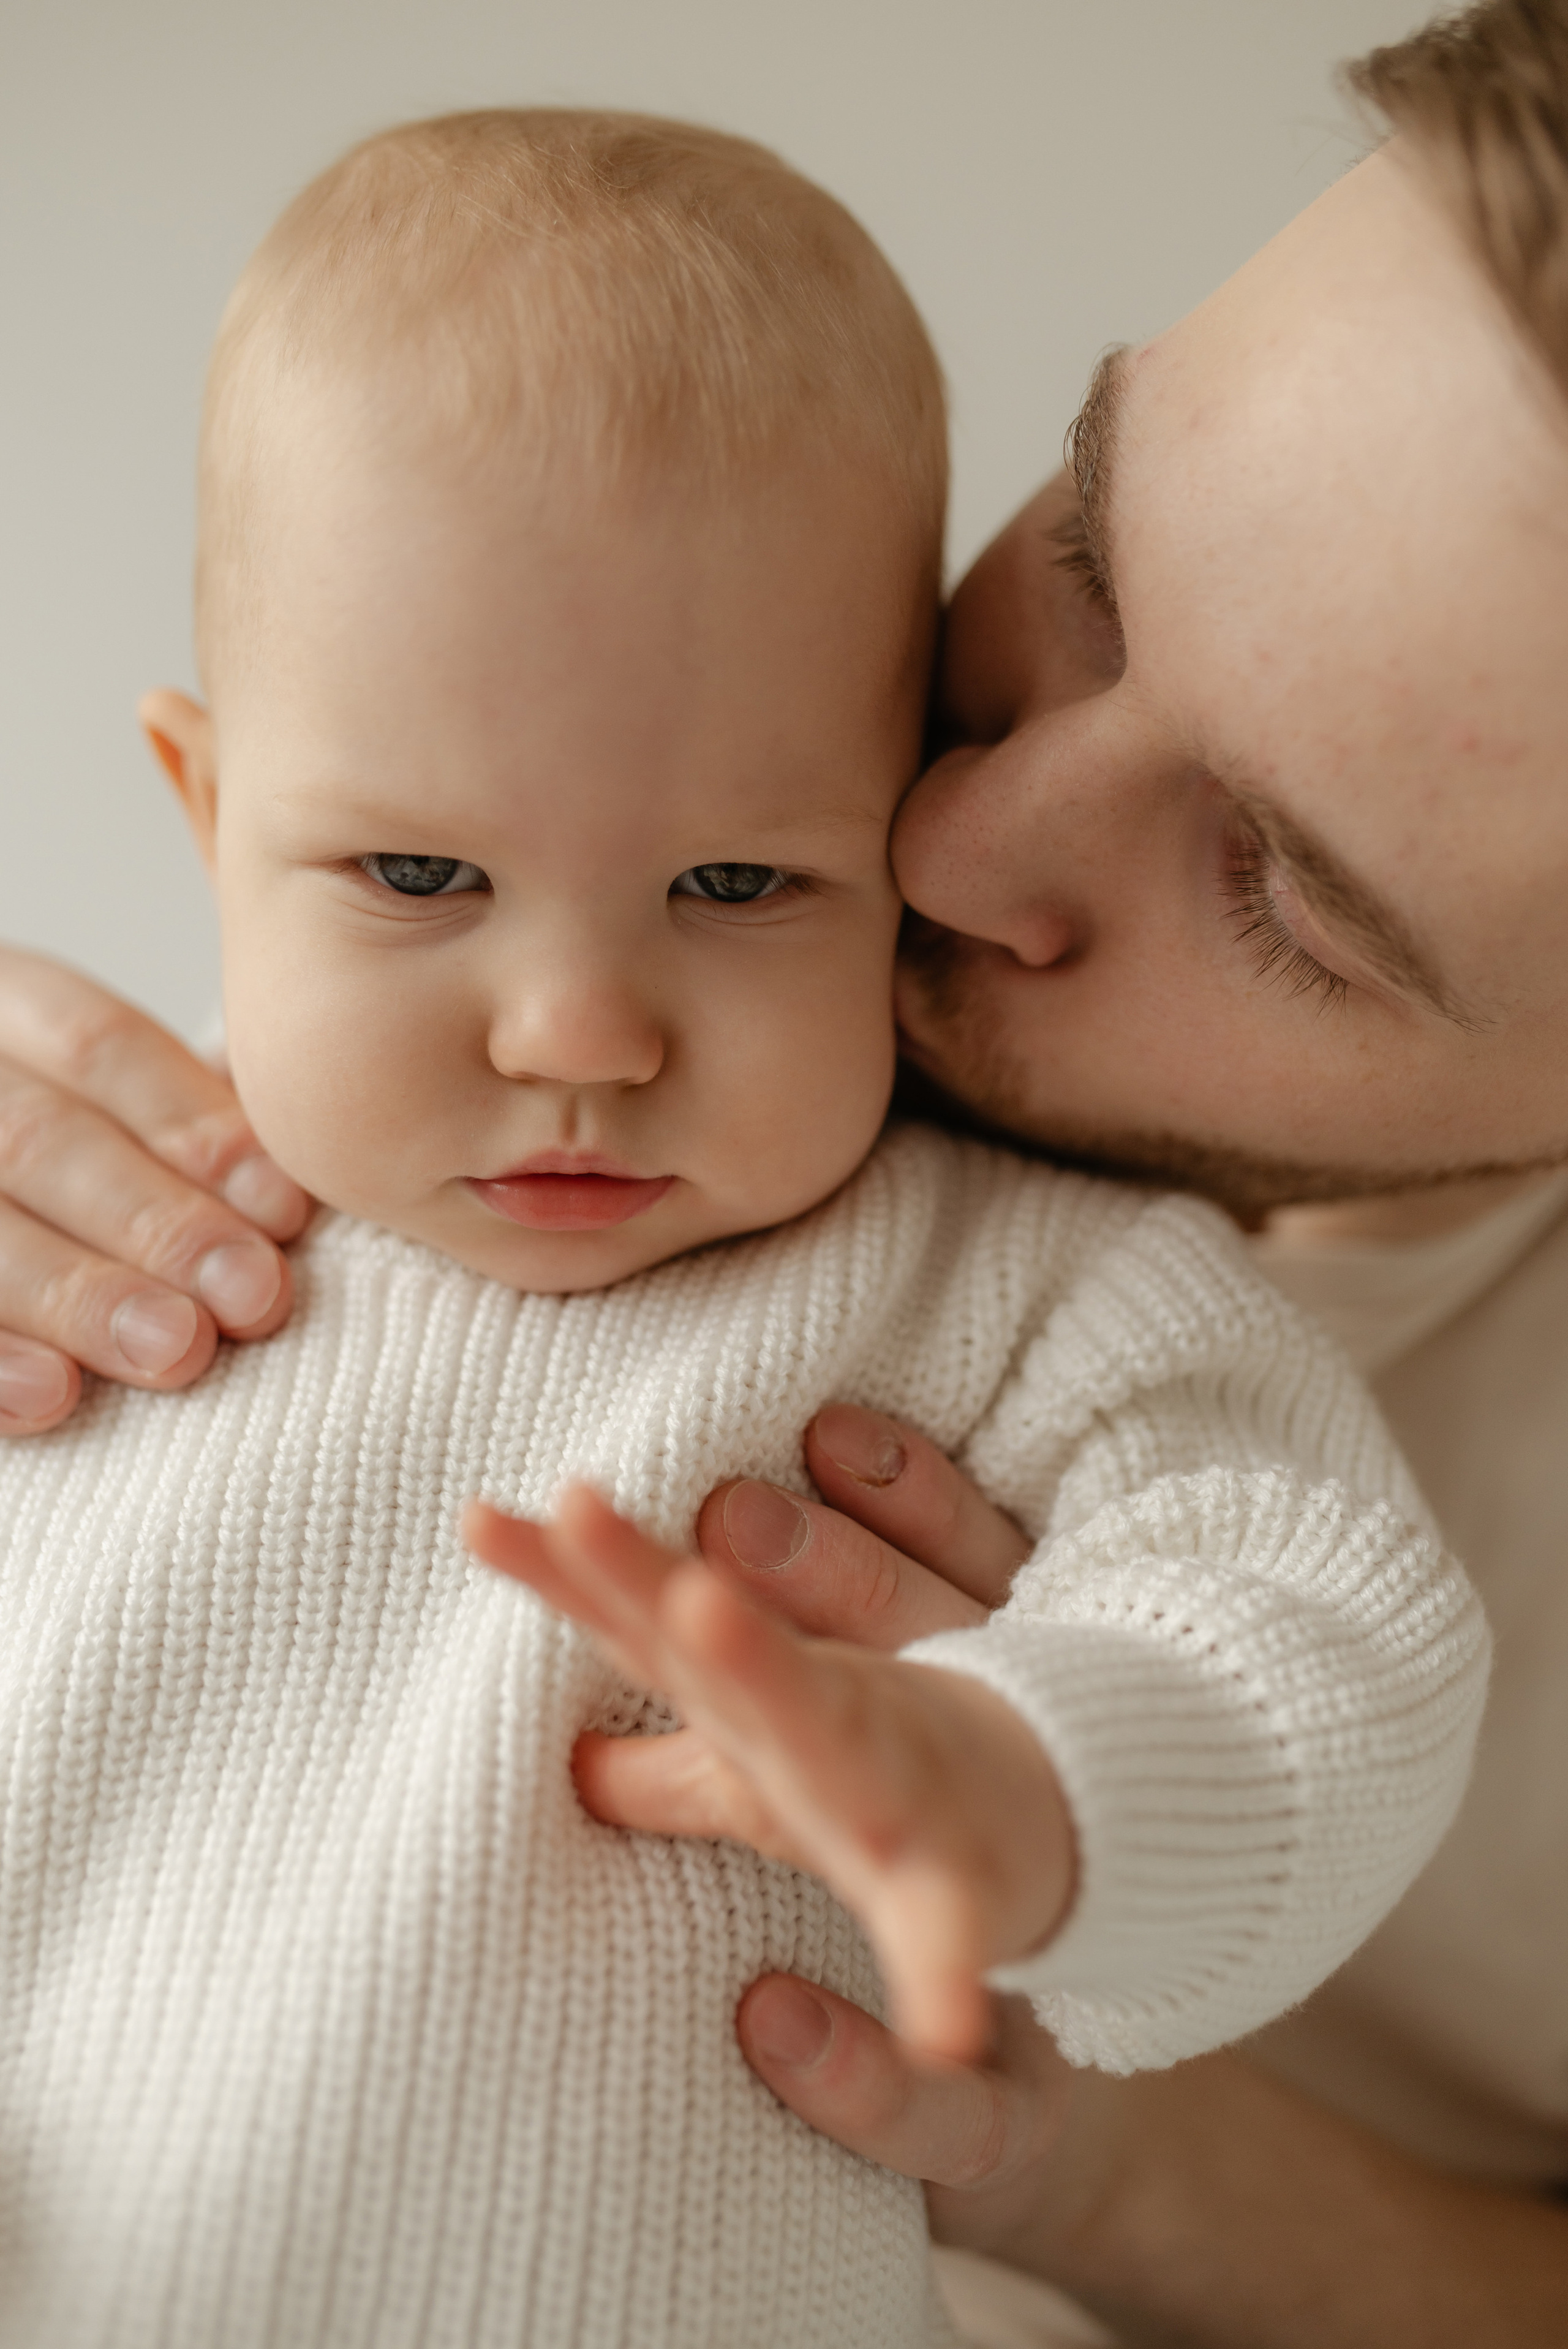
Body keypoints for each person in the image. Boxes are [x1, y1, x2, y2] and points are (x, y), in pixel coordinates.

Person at [0, 0, 1562, 2339]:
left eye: (1286, 892)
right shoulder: (232, 1158)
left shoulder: (1064, 1304)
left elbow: (1301, 1653)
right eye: (1093, 559)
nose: (933, 833)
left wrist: (1019, 1807)